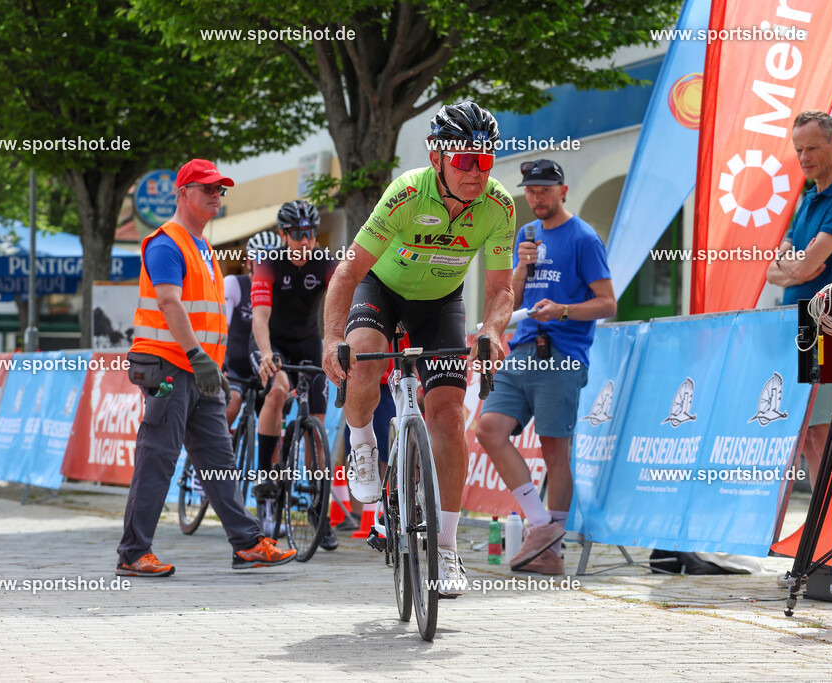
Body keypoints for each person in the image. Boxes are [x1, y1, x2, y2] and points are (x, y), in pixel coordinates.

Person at [322, 101, 515, 596]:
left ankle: (447, 550)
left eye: (485, 159)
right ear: (437, 159)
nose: (476, 171)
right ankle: (363, 446)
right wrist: (331, 338)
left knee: (449, 416)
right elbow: (348, 271)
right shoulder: (406, 193)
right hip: (381, 291)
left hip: (440, 302)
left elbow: (500, 289)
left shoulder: (499, 206)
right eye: (464, 160)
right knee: (364, 359)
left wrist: (492, 329)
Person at [118, 158, 296, 576]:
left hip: (202, 373)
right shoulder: (167, 243)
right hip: (171, 366)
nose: (217, 196)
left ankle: (248, 543)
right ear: (183, 193)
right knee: (157, 456)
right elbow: (168, 301)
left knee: (218, 459)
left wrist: (206, 365)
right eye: (207, 189)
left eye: (221, 190)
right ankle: (132, 552)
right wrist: (198, 357)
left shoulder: (203, 248)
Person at [475, 159, 616, 575]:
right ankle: (541, 527)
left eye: (544, 190)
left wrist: (564, 310)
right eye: (531, 191)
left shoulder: (584, 238)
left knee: (555, 449)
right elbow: (511, 297)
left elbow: (608, 303)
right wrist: (521, 267)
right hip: (520, 350)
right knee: (488, 429)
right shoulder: (527, 235)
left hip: (562, 355)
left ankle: (551, 553)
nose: (536, 198)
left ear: (563, 190)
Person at [766, 110, 832, 487]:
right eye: (798, 149)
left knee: (825, 435)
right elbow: (775, 269)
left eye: (812, 147)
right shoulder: (809, 198)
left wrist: (796, 264)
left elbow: (805, 265)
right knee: (811, 436)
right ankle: (824, 529)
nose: (804, 156)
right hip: (801, 324)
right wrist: (795, 265)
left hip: (829, 323)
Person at [250, 200, 338, 550]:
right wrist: (268, 354)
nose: (306, 241)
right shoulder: (268, 264)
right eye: (299, 235)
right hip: (272, 341)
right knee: (278, 389)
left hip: (307, 342)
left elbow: (340, 299)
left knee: (316, 428)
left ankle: (319, 509)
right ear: (283, 235)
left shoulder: (325, 261)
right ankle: (265, 475)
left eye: (311, 234)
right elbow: (259, 317)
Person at [224, 230, 281, 426]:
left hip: (265, 366)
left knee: (275, 417)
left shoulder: (283, 289)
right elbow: (222, 326)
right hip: (234, 366)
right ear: (249, 263)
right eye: (261, 260)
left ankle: (274, 458)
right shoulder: (233, 284)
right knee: (232, 403)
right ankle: (217, 451)